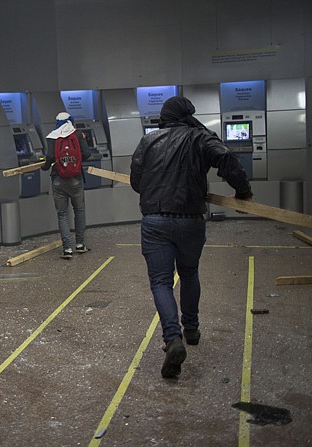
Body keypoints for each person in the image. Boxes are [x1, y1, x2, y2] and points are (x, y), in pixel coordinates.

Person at [130, 96, 253, 379]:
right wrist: (243, 192)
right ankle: (192, 329)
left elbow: (137, 181)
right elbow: (225, 157)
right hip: (190, 220)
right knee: (188, 273)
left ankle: (173, 339)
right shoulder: (199, 137)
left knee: (161, 281)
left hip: (155, 220)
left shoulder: (148, 141)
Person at [42, 112, 92, 259]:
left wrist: (45, 167)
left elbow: (50, 157)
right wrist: (75, 162)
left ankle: (67, 249)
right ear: (71, 121)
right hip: (75, 178)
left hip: (58, 178)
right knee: (79, 210)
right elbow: (87, 154)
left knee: (62, 214)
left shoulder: (52, 136)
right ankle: (80, 245)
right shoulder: (77, 134)